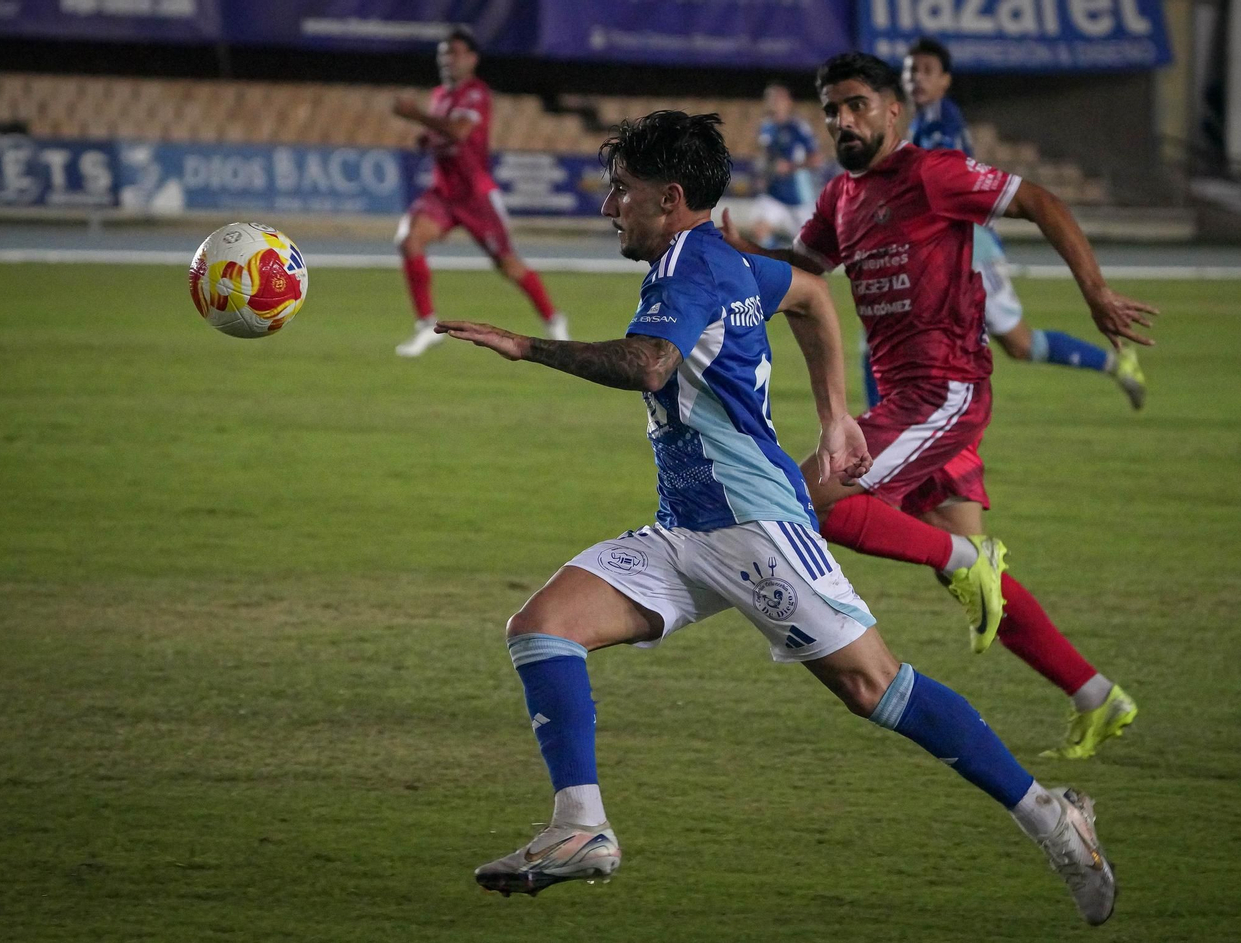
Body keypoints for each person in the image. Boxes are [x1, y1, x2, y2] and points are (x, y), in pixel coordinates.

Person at [437, 110, 1118, 924]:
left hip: (756, 526)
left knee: (876, 686)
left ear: (671, 197)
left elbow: (650, 364)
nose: (609, 207)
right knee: (542, 627)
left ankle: (1050, 814)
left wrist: (530, 347)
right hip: (688, 527)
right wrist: (835, 413)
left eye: (623, 191)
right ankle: (581, 827)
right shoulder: (726, 259)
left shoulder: (693, 268)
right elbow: (810, 295)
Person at [722, 53, 1152, 759]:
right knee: (987, 590)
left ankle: (961, 555)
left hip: (945, 390)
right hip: (909, 400)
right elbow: (804, 274)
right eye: (832, 109)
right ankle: (1096, 694)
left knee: (814, 496)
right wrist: (743, 250)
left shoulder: (933, 174)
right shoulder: (839, 199)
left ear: (894, 110)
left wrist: (1096, 293)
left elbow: (1041, 200)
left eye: (858, 105)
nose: (843, 120)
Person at [895, 38, 1145, 411]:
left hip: (969, 245)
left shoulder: (942, 122)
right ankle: (896, 424)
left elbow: (937, 188)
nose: (917, 78)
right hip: (944, 246)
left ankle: (1115, 362)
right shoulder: (921, 122)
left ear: (946, 80)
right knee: (901, 331)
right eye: (912, 70)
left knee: (1019, 343)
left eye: (927, 71)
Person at [391, 26, 567, 357]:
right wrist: (426, 138)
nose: (448, 59)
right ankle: (426, 326)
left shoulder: (476, 93)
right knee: (409, 240)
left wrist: (415, 115)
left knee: (509, 266)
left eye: (455, 53)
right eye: (444, 53)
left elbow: (459, 131)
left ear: (472, 59)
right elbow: (444, 134)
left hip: (476, 196)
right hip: (443, 193)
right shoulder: (440, 95)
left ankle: (553, 318)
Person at [749, 83, 823, 248]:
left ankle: (788, 259)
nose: (773, 103)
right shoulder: (766, 128)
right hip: (774, 194)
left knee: (809, 250)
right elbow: (765, 157)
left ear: (788, 102)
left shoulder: (798, 127)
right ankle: (776, 263)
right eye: (770, 99)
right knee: (760, 230)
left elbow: (816, 159)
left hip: (800, 197)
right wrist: (763, 174)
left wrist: (791, 167)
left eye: (777, 99)